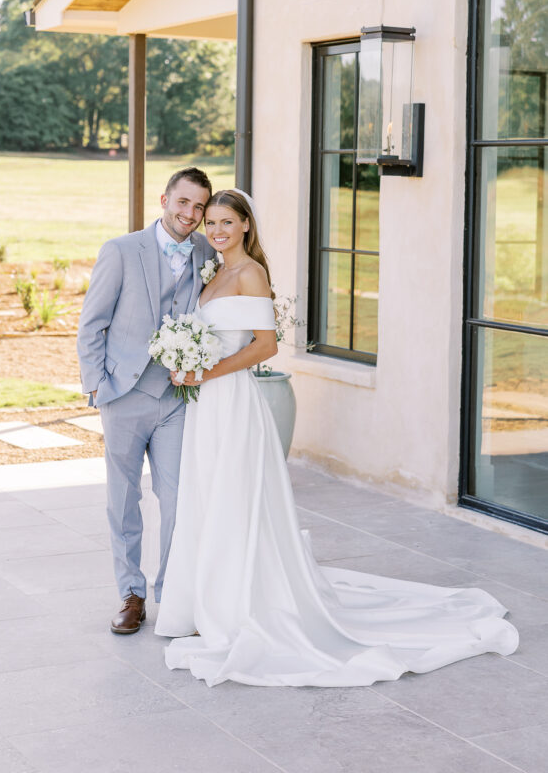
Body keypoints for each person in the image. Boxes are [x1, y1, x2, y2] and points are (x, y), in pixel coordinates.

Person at [154, 189, 519, 687]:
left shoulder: (250, 274)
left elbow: (266, 345)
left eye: (225, 222)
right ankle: (199, 603)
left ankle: (236, 605)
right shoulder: (212, 271)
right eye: (210, 222)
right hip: (206, 407)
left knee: (233, 499)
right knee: (208, 495)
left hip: (231, 402)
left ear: (245, 226)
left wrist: (206, 371)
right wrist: (185, 362)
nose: (215, 230)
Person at [77, 167, 216, 635]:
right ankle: (131, 593)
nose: (191, 215)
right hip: (124, 394)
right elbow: (91, 323)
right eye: (184, 203)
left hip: (177, 398)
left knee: (177, 497)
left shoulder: (206, 252)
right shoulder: (120, 250)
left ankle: (172, 591)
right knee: (123, 498)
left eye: (199, 206)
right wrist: (96, 384)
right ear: (164, 200)